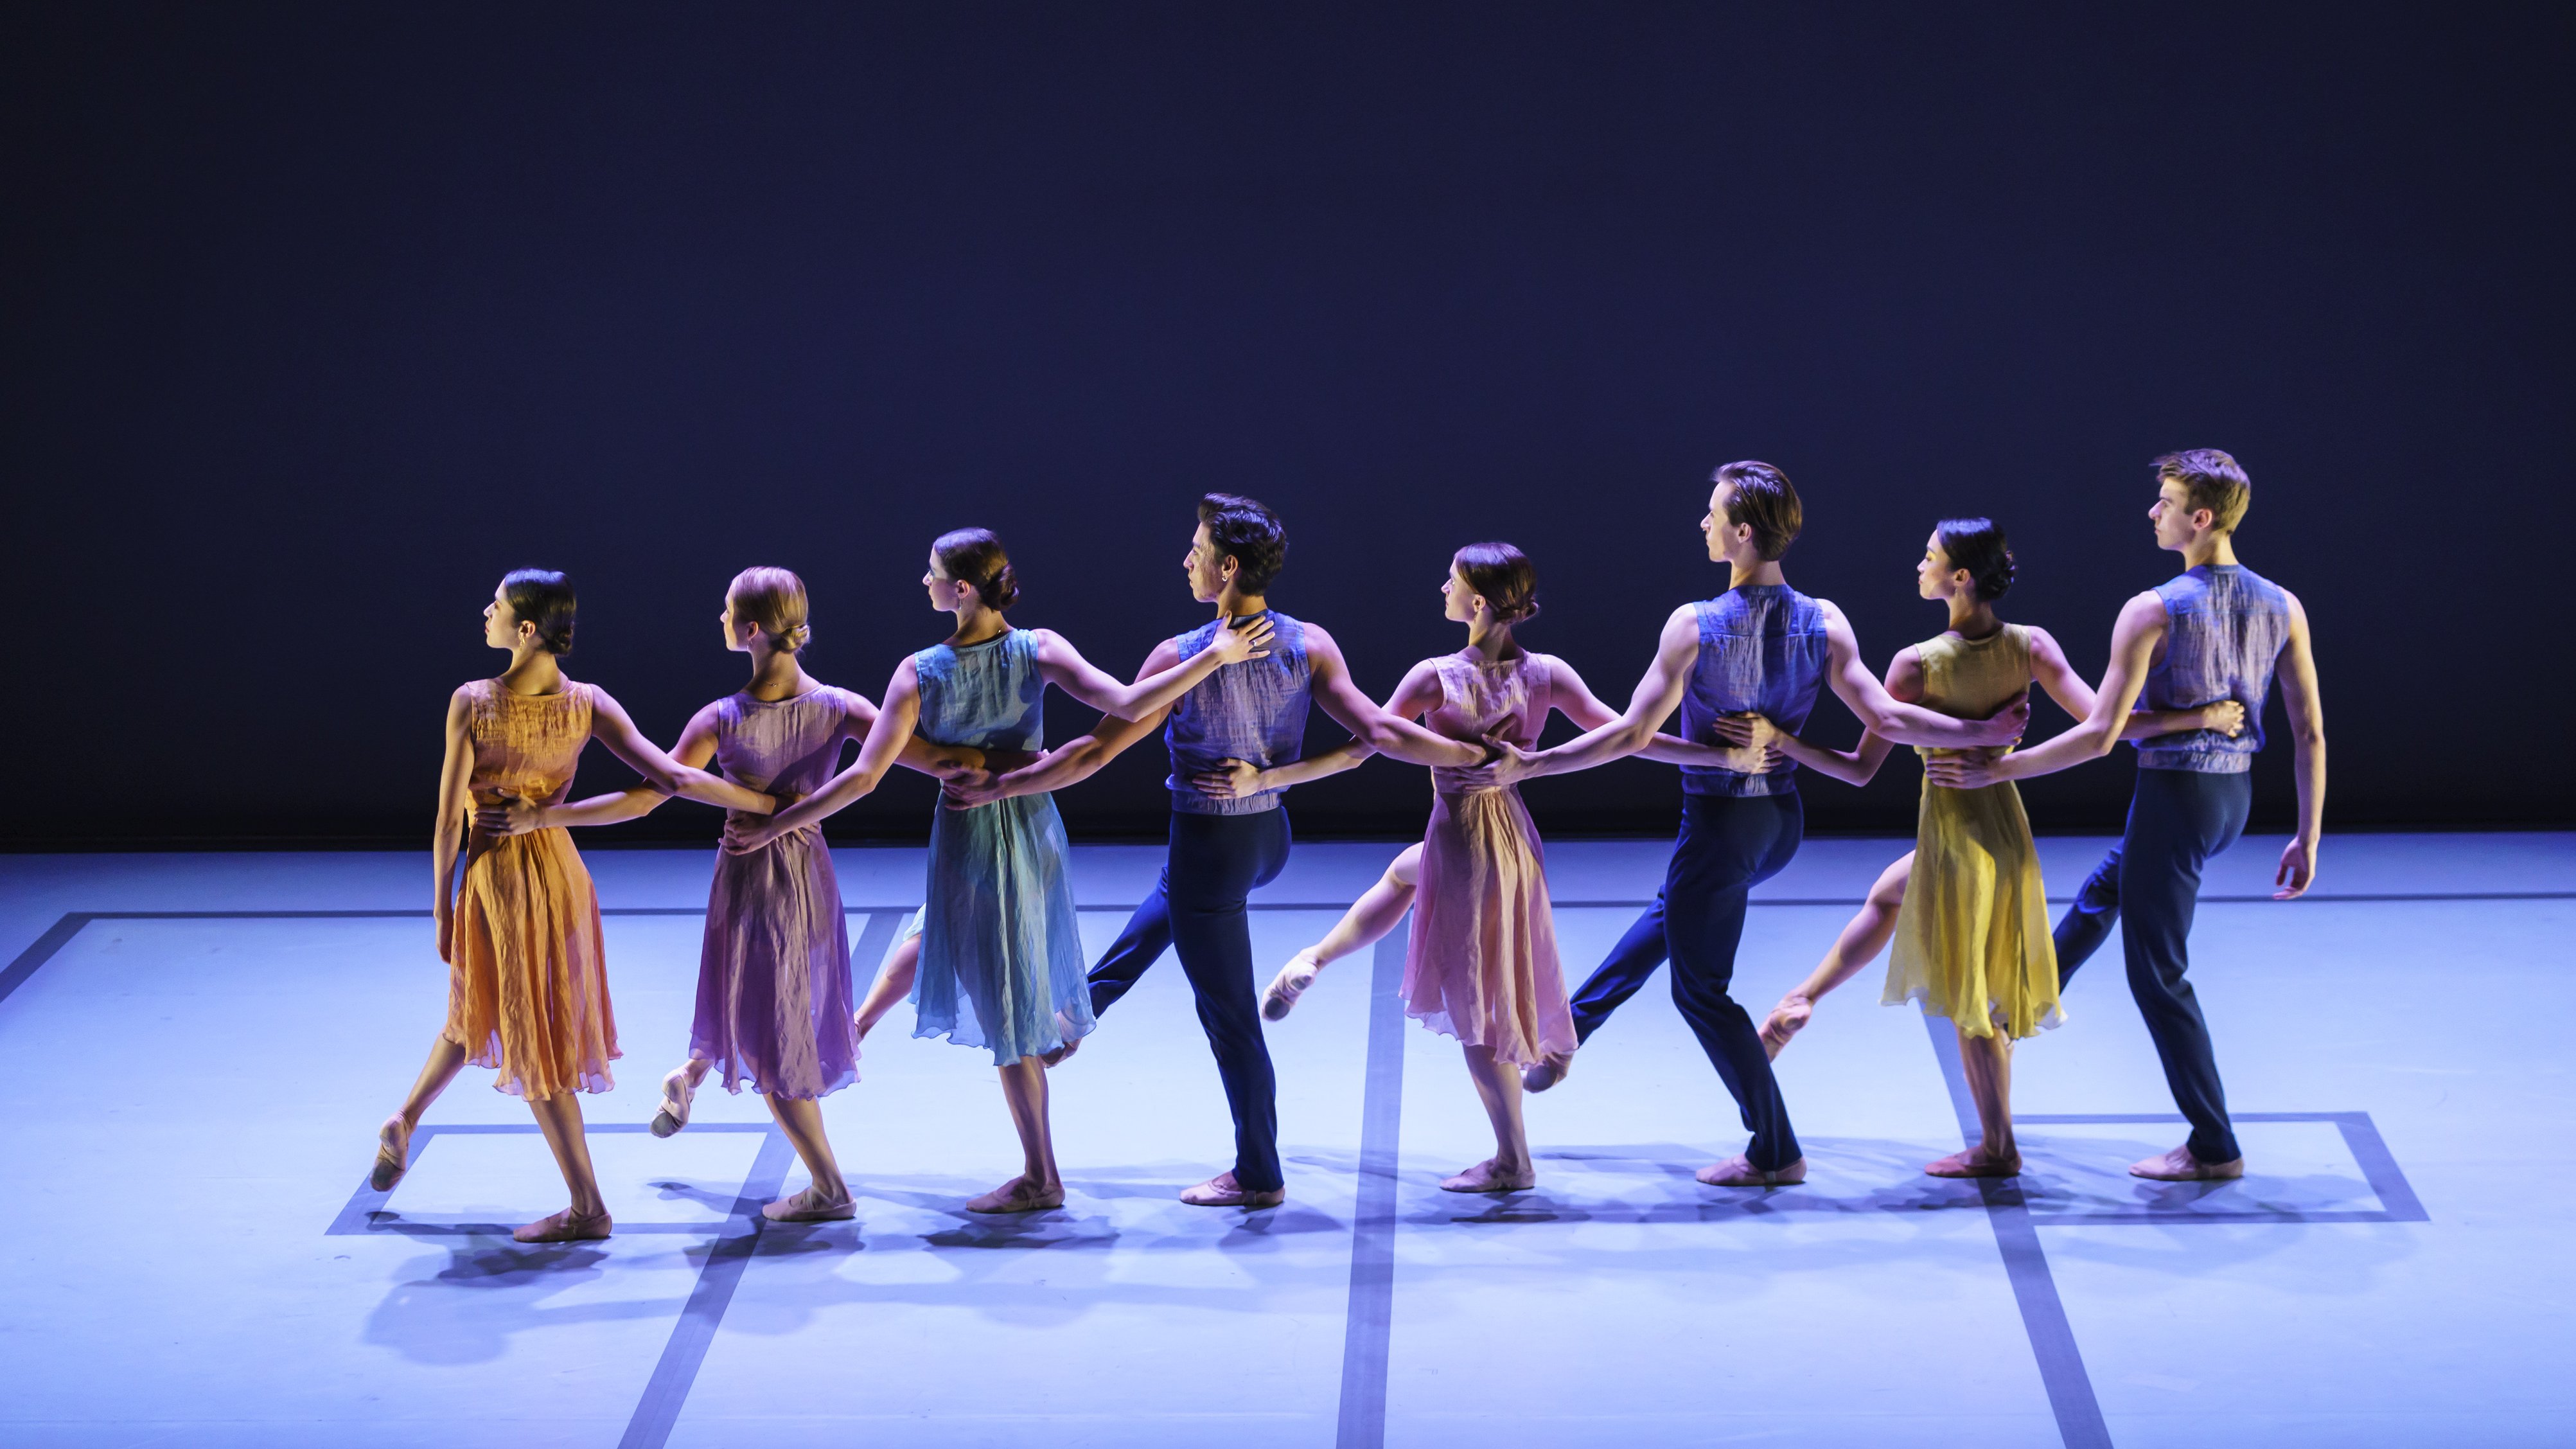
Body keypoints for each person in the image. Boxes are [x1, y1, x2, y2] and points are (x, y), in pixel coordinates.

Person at [1461, 463, 2026, 1187]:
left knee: (1700, 990)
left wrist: (1529, 766)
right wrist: (1976, 730)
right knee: (1675, 909)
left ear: (1742, 532)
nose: (1703, 523)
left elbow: (1632, 732)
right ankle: (1566, 1035)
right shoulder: (1825, 618)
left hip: (1722, 824)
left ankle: (1773, 1147)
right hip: (1778, 824)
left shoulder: (1694, 623)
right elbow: (1883, 720)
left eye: (1711, 513)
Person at [937, 495, 1483, 1208]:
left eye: (1195, 550)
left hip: (1211, 842)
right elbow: (1374, 737)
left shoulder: (1180, 656)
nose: (1184, 559)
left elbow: (1094, 751)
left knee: (1228, 1016)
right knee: (1169, 904)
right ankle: (1075, 1018)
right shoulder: (1309, 642)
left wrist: (1003, 787)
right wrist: (1466, 750)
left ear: (1226, 568)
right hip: (1266, 838)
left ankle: (1258, 1170)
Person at [723, 529, 1274, 1213]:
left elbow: (869, 775)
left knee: (1007, 1008)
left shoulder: (921, 670)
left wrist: (778, 822)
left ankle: (1041, 1175)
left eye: (930, 574)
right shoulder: (1031, 649)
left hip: (983, 835)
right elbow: (1126, 705)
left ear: (961, 589)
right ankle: (854, 1034)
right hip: (1025, 829)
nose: (921, 583)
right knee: (931, 937)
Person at [1236, 542, 1762, 1192]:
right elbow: (1630, 735)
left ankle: (1512, 1157)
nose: (1441, 590)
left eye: (1450, 582)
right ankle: (1314, 958)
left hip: (1461, 839)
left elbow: (1364, 744)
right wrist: (1714, 757)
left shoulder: (1434, 676)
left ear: (1477, 602)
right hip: (1511, 837)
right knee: (1405, 876)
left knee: (1473, 1008)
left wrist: (1273, 776)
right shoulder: (1547, 673)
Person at [479, 568, 985, 1222]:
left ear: (750, 629)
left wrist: (549, 815)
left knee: (772, 1041)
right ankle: (691, 1075)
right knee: (759, 1017)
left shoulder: (722, 717)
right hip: (802, 876)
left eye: (725, 611)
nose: (717, 619)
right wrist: (1005, 756)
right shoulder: (839, 706)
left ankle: (830, 1187)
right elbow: (933, 759)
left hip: (756, 884)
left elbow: (643, 798)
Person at [1716, 519, 2189, 1177]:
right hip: (2004, 831)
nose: (1918, 565)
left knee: (1973, 1007)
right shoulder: (2032, 646)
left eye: (1929, 557)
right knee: (1890, 895)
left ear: (1959, 576)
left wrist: (1785, 742)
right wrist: (2194, 716)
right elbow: (2108, 725)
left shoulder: (1916, 663)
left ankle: (1997, 1148)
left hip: (1955, 835)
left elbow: (1858, 766)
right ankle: (1803, 997)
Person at [1927, 450, 2324, 1182]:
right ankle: (2019, 1010)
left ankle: (2212, 1143)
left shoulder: (2153, 607)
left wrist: (2003, 763)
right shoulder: (2283, 602)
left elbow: (2100, 733)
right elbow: (2307, 731)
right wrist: (2307, 830)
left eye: (2165, 501)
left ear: (2198, 519)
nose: (2152, 511)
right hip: (2231, 799)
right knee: (2110, 886)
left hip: (2176, 797)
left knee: (2157, 973)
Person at [370, 569, 782, 1243]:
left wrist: (442, 908)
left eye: (496, 606)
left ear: (525, 629)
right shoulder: (587, 703)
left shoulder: (472, 701)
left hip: (497, 884)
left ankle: (588, 1206)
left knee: (531, 1037)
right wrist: (764, 803)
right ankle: (406, 1119)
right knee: (484, 1004)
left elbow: (448, 822)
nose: (485, 612)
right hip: (560, 876)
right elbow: (672, 778)